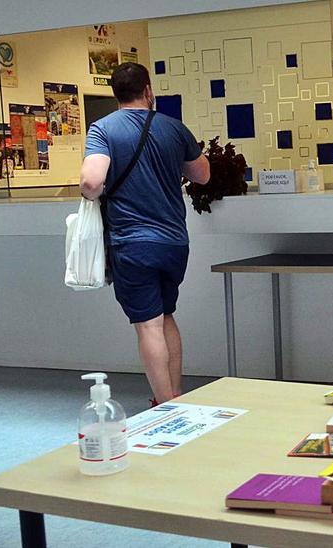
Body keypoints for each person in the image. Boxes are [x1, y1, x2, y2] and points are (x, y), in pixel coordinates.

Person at [80, 62, 210, 406]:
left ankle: (164, 404)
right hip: (173, 242)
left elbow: (92, 182)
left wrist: (95, 192)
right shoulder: (173, 127)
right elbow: (203, 175)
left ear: (115, 93)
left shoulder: (102, 129)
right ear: (148, 91)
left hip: (132, 244)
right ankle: (176, 393)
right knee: (166, 315)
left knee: (148, 326)